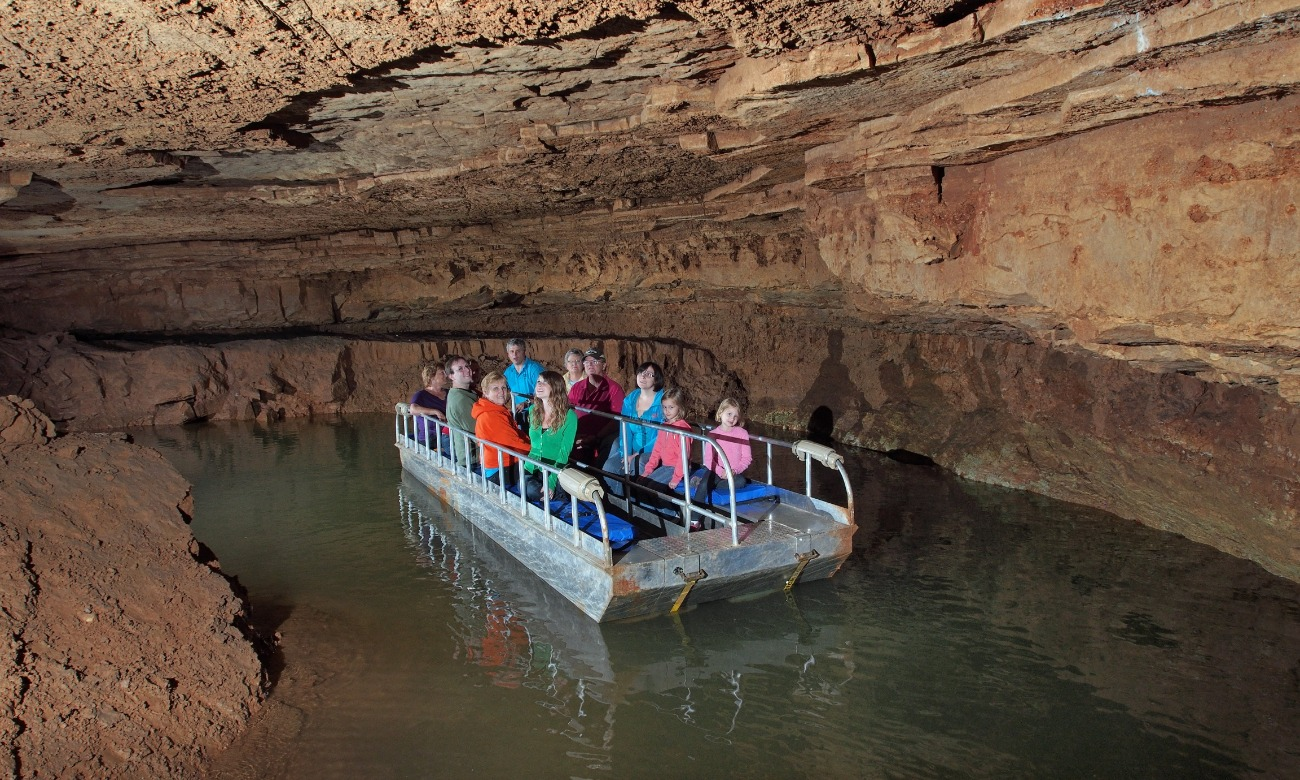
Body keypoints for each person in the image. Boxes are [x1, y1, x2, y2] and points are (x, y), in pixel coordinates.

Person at [600, 361, 664, 496]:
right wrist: (626, 453)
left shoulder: (663, 403)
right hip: (633, 447)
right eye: (641, 373)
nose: (643, 376)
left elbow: (662, 435)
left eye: (649, 374)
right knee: (610, 466)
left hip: (654, 449)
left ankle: (637, 501)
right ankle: (617, 501)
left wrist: (638, 453)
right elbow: (625, 429)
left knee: (637, 464)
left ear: (656, 379)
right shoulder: (630, 400)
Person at [522, 371, 578, 502]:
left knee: (539, 493)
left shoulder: (570, 417)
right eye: (538, 381)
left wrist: (551, 482)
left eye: (545, 382)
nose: (539, 385)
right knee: (528, 489)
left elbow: (564, 452)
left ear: (556, 387)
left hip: (554, 469)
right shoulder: (533, 411)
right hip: (531, 466)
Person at [472, 371, 531, 487]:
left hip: (501, 462)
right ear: (485, 392)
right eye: (495, 389)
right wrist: (536, 451)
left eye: (504, 387)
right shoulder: (491, 415)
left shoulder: (495, 409)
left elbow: (515, 435)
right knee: (542, 471)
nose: (502, 392)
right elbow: (514, 441)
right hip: (500, 469)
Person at [567, 348, 624, 464]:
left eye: (594, 361)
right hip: (578, 437)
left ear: (604, 365)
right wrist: (573, 434)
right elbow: (568, 412)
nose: (590, 365)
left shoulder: (614, 389)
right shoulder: (577, 387)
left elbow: (617, 420)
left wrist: (596, 437)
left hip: (601, 439)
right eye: (586, 362)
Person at [698, 397, 753, 496]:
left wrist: (734, 471)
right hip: (716, 471)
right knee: (704, 485)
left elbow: (747, 458)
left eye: (735, 416)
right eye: (729, 414)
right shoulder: (712, 434)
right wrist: (720, 471)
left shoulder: (742, 433)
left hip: (733, 473)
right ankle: (696, 505)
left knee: (741, 482)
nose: (732, 419)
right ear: (720, 413)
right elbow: (708, 460)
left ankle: (712, 486)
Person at [639, 387, 691, 492]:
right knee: (644, 484)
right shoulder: (664, 426)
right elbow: (657, 449)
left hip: (678, 468)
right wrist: (648, 470)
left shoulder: (683, 429)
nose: (667, 411)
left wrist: (676, 478)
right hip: (666, 465)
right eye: (664, 407)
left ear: (680, 407)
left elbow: (684, 456)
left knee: (653, 488)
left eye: (671, 407)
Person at [444, 355, 479, 467]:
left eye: (467, 366)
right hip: (474, 460)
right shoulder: (461, 400)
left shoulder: (461, 393)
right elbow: (479, 429)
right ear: (451, 376)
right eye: (460, 369)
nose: (467, 370)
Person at [503, 337, 544, 428]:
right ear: (508, 354)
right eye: (512, 351)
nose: (515, 355)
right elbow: (507, 393)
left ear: (524, 351)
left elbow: (544, 392)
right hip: (519, 413)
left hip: (538, 413)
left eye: (518, 351)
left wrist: (527, 403)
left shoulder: (535, 369)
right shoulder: (508, 372)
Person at [409, 362, 449, 448]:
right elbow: (413, 409)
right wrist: (435, 411)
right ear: (431, 376)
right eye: (442, 373)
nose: (446, 375)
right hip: (430, 437)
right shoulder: (421, 395)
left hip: (448, 433)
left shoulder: (449, 393)